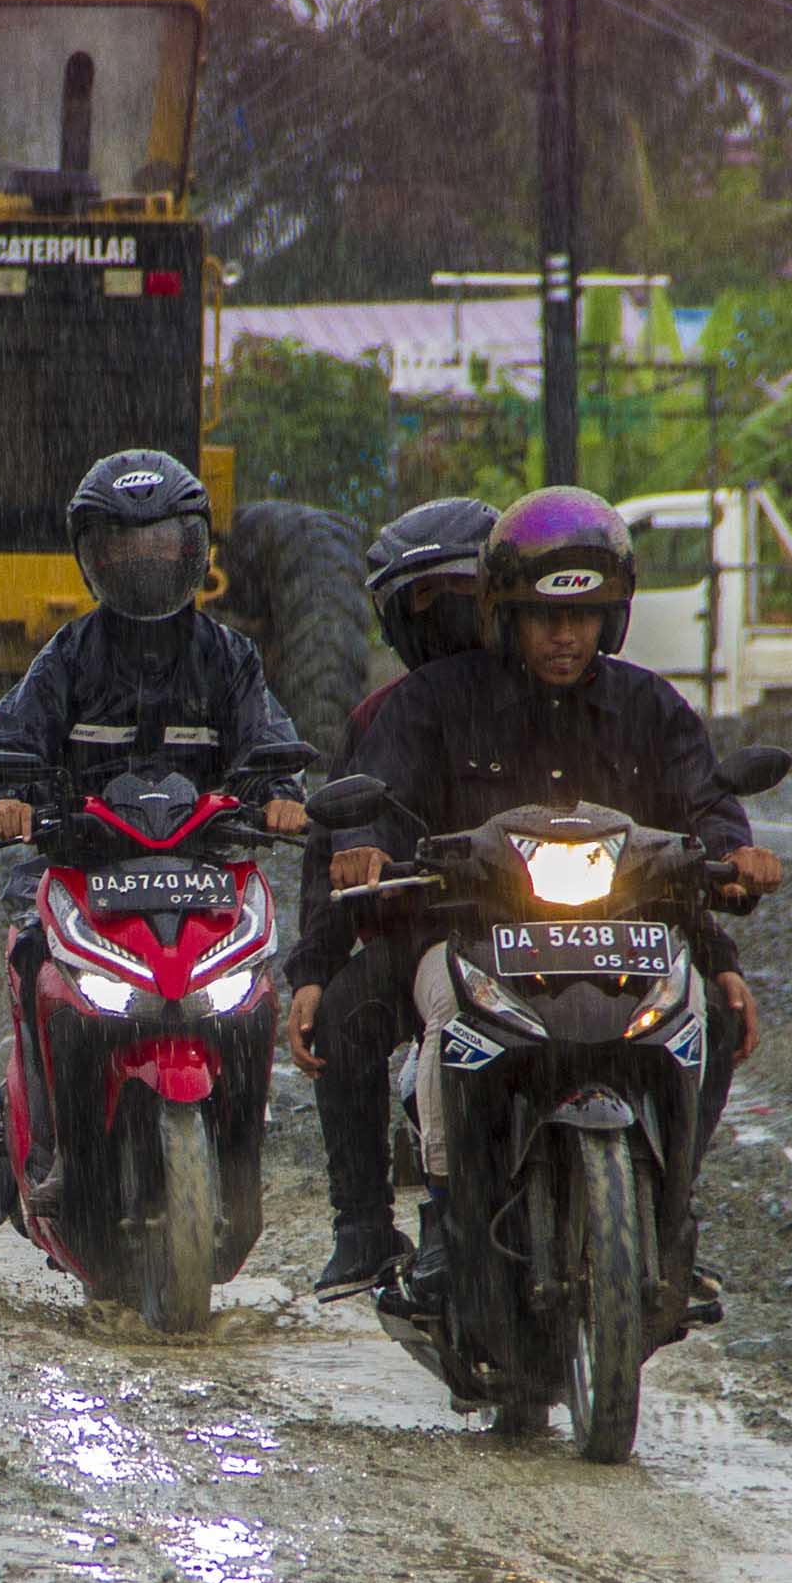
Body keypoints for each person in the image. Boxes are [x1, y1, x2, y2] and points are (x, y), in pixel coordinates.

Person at [329, 486, 784, 1315]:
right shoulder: (433, 702)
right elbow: (373, 794)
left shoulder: (652, 705)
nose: (563, 635)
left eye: (582, 617)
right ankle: (434, 1228)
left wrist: (736, 859)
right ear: (505, 615)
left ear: (612, 617)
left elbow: (706, 807)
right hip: (469, 936)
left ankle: (671, 1221)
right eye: (543, 617)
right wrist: (360, 847)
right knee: (385, 1016)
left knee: (718, 1018)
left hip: (629, 944)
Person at [0, 449, 313, 1205]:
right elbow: (6, 744)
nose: (145, 560)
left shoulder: (230, 658)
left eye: (161, 542)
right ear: (92, 556)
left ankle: (243, 1144)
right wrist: (8, 796)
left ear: (193, 548)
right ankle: (50, 1149)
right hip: (78, 867)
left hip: (207, 869)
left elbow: (270, 742)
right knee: (31, 958)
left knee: (252, 985)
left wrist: (282, 795)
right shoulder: (66, 656)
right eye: (125, 545)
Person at [283, 497, 495, 1296]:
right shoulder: (382, 713)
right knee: (339, 1014)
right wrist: (310, 967)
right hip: (430, 938)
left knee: (692, 1013)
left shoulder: (568, 692)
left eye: (467, 596)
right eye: (427, 603)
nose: (450, 620)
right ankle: (366, 1226)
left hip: (562, 927)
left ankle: (667, 1222)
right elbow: (333, 834)